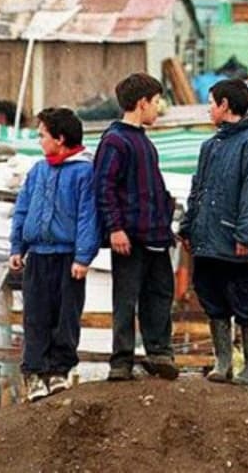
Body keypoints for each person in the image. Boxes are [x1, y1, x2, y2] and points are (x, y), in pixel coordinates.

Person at [179, 79, 248, 386]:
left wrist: (246, 236)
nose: (208, 109)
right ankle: (222, 362)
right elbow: (199, 188)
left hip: (234, 241)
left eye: (211, 102)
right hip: (207, 239)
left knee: (243, 301)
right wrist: (187, 225)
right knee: (211, 297)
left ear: (225, 105)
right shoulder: (211, 146)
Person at [94, 73, 179, 381]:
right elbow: (104, 187)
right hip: (130, 236)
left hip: (155, 234)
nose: (157, 108)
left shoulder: (143, 141)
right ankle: (122, 360)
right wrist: (115, 228)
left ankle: (159, 352)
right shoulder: (115, 141)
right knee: (126, 298)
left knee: (159, 294)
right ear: (141, 103)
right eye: (155, 102)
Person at [9, 107, 98, 402]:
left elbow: (88, 217)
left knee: (65, 316)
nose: (39, 141)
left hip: (68, 258)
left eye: (42, 135)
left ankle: (58, 371)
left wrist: (83, 257)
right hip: (38, 256)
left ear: (59, 139)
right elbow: (22, 209)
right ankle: (34, 373)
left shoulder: (84, 172)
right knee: (35, 316)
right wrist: (16, 247)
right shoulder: (38, 171)